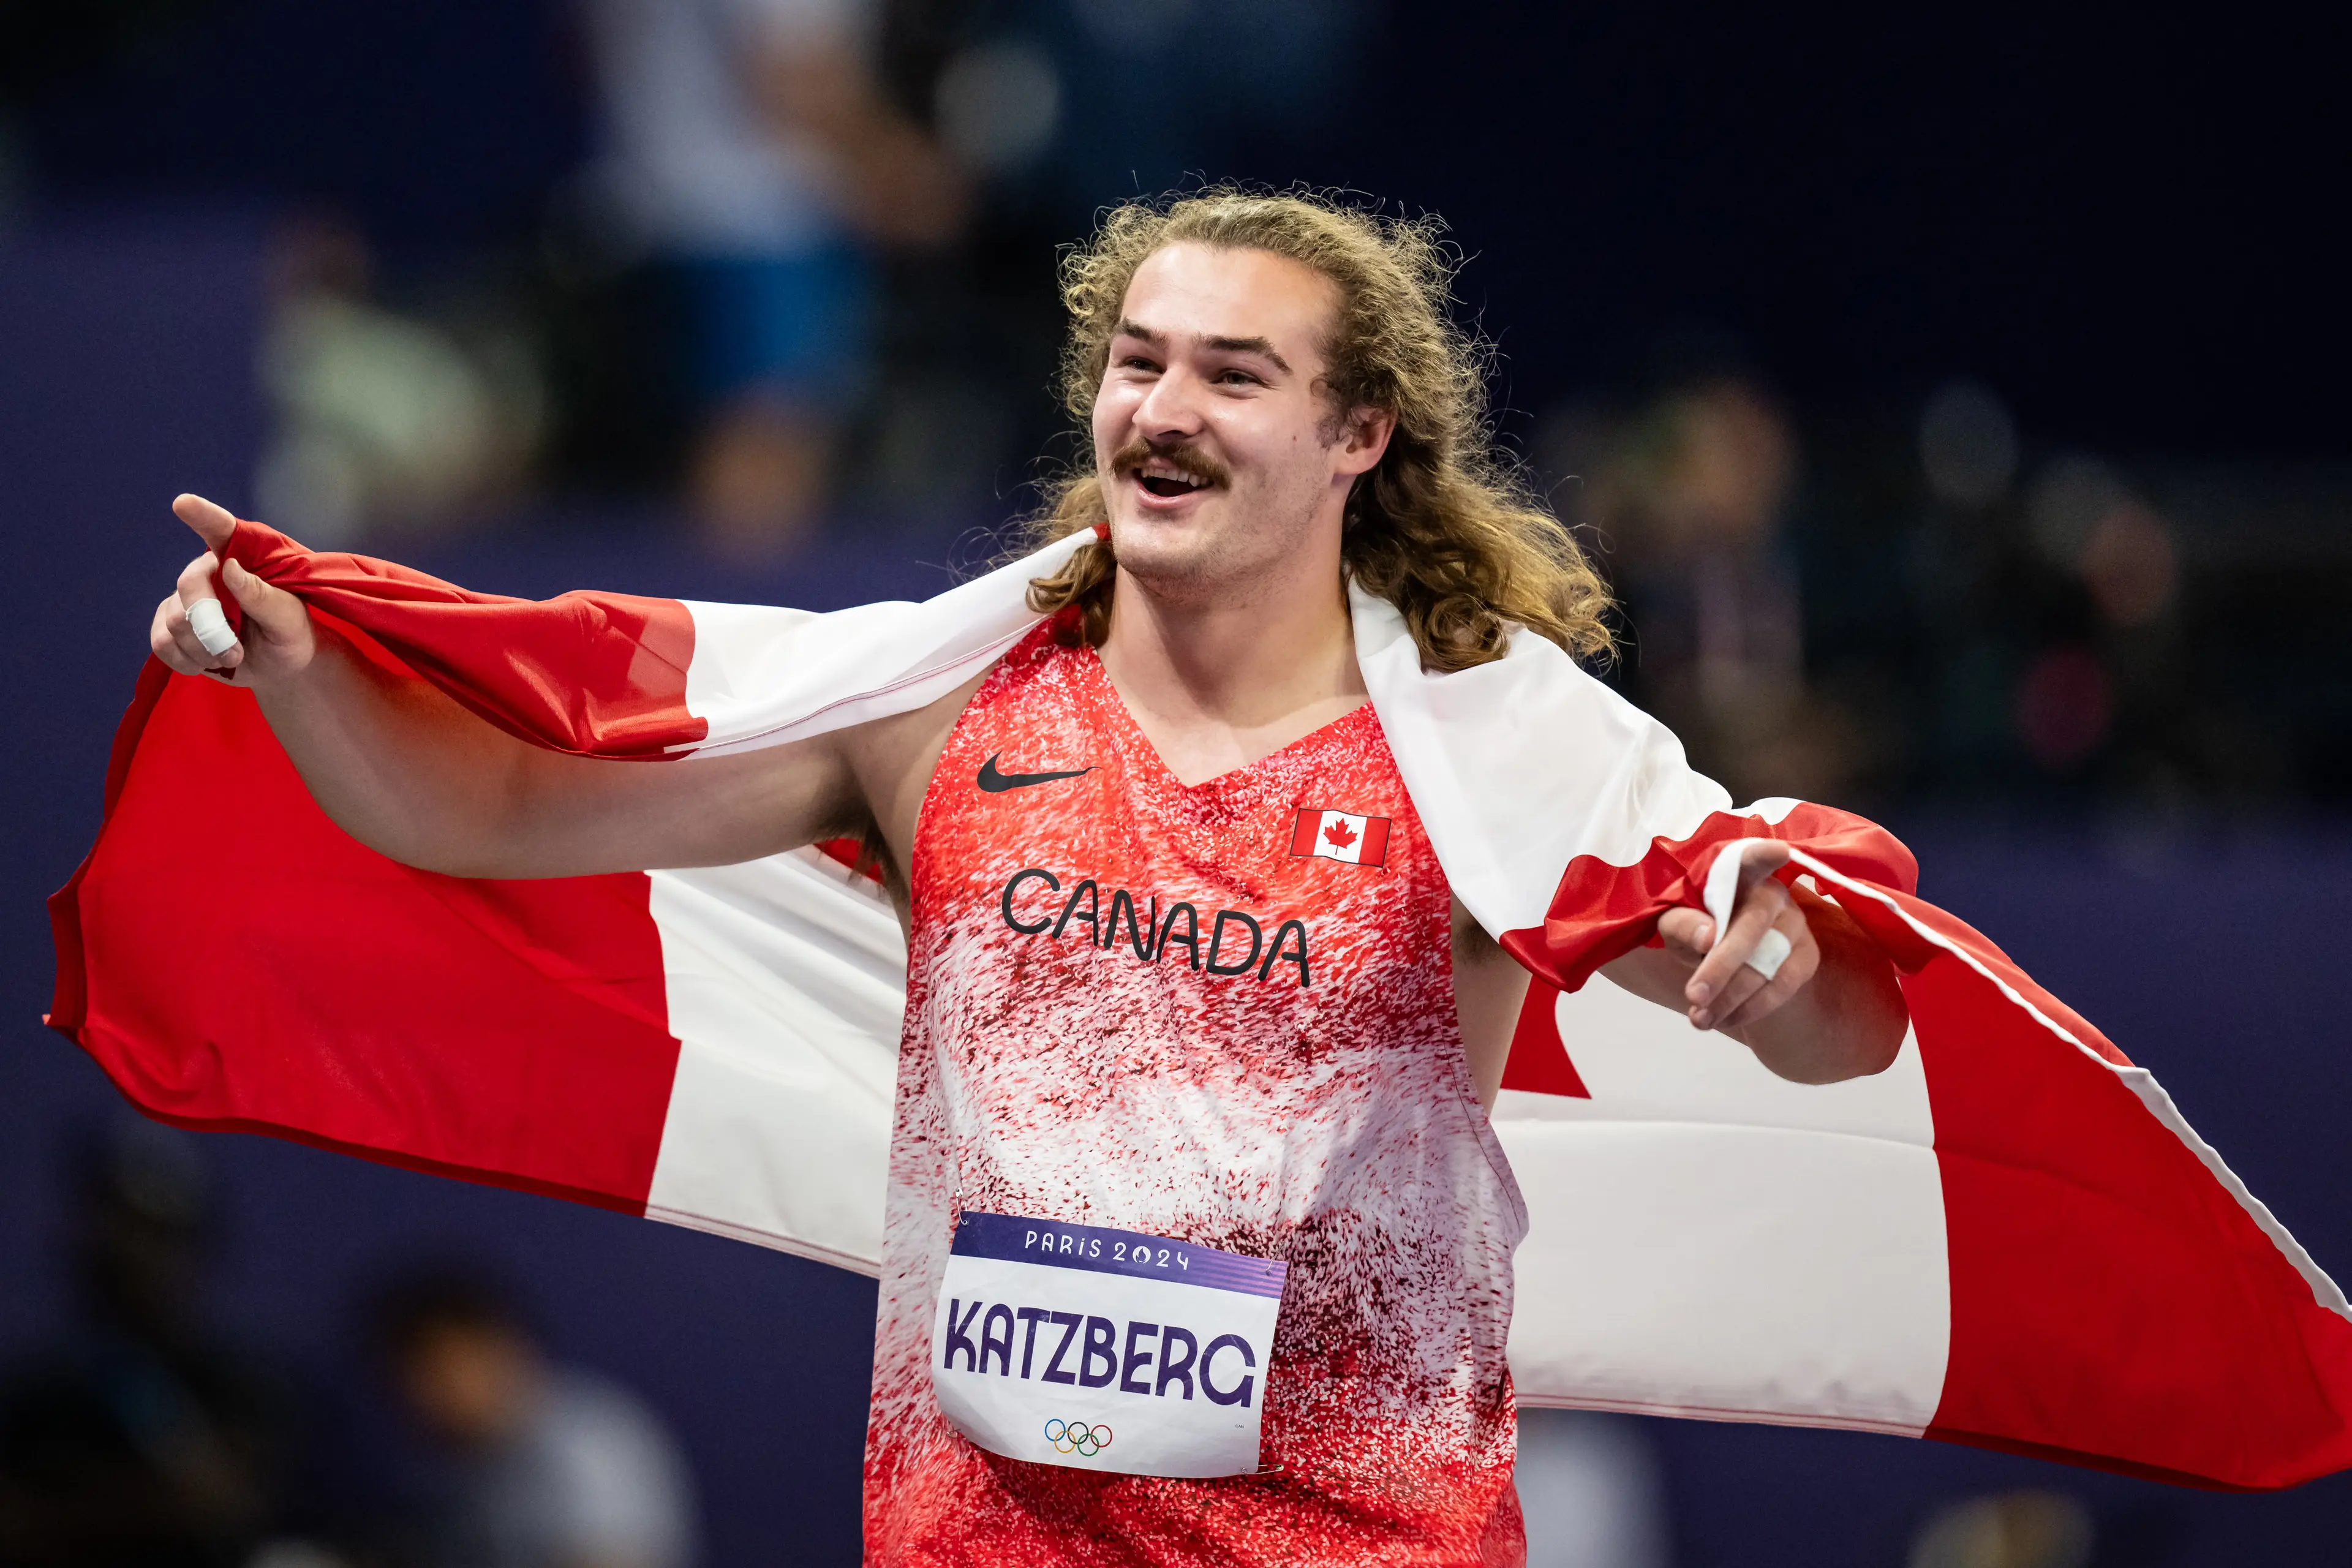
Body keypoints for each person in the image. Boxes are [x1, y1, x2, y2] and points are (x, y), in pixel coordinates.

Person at [145, 191, 1906, 1564]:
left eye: (1236, 373)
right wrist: (295, 669)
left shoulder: (1486, 761)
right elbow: (490, 816)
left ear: (1360, 433)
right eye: (1141, 359)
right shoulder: (933, 716)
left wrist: (1785, 970)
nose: (1167, 404)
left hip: (1367, 1547)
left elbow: (1830, 1040)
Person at [368, 1269, 695, 1568]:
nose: (426, 1399)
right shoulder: (466, 1466)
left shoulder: (591, 1444)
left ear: (502, 1349)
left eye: (442, 1372)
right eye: (410, 1381)